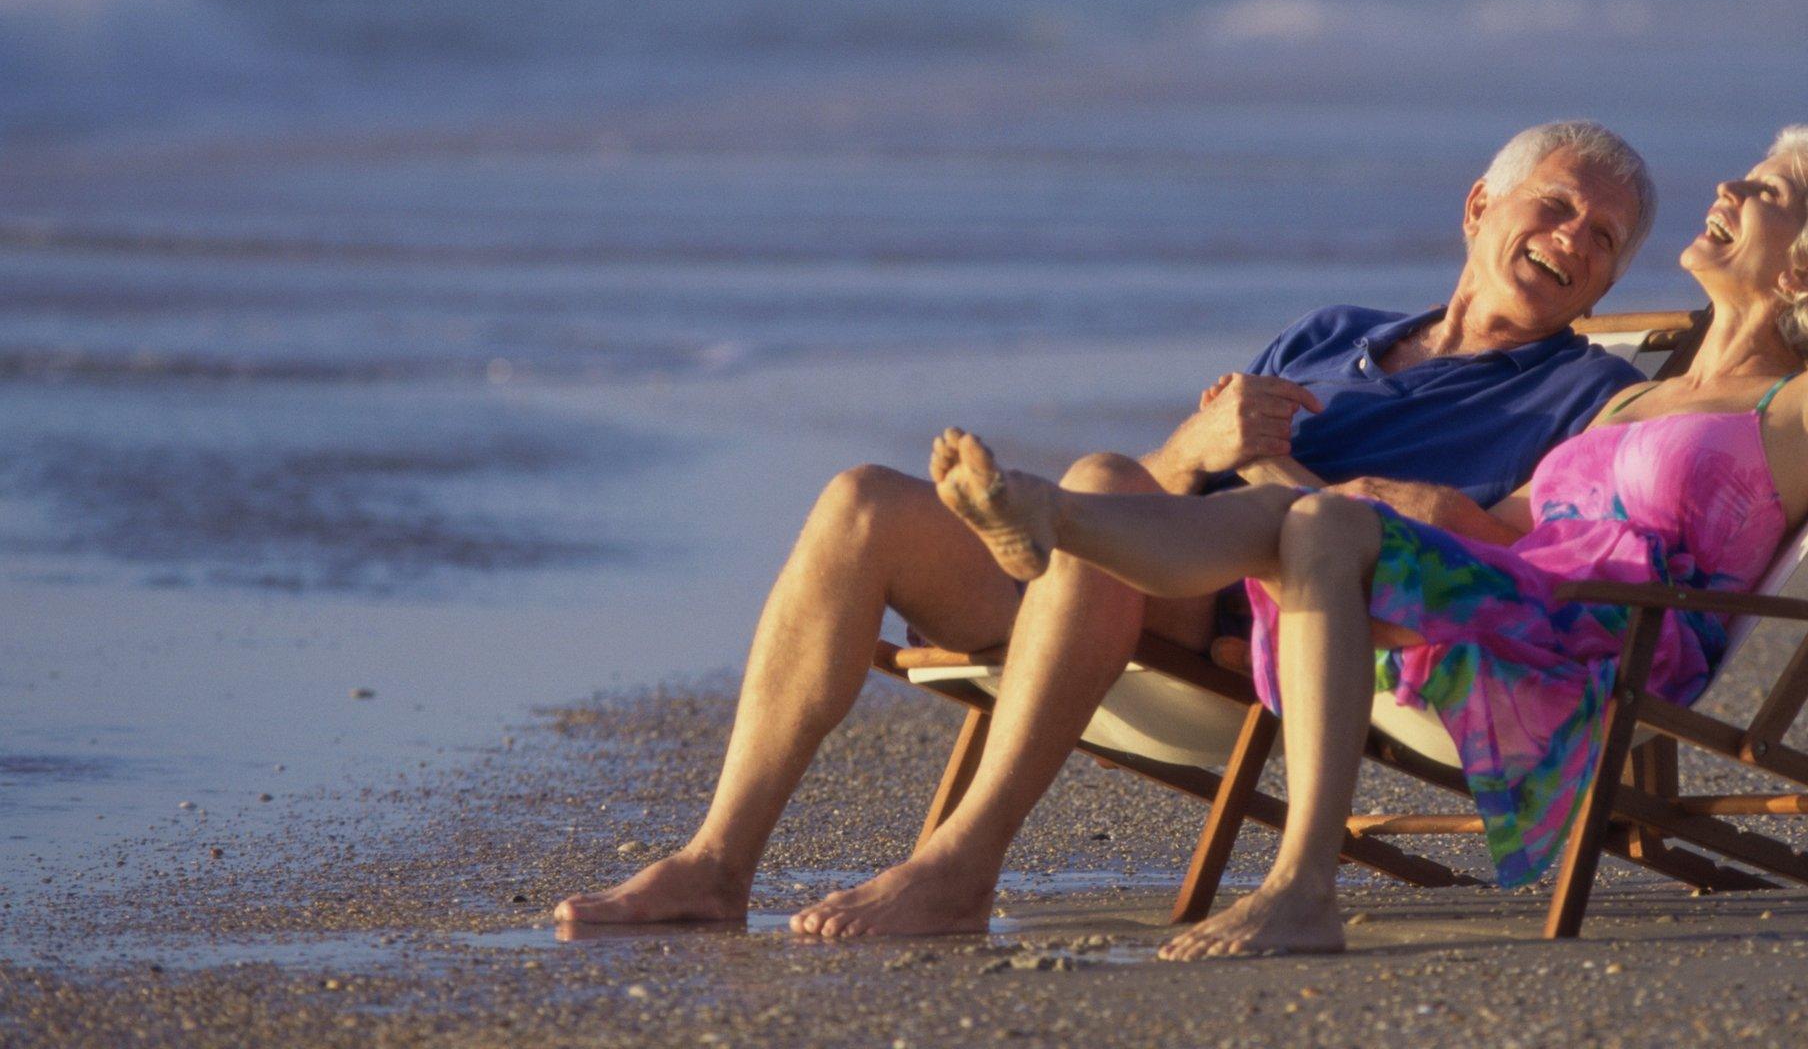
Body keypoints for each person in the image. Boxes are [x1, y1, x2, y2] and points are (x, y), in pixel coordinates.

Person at [554, 121, 1657, 935]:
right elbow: (1177, 480)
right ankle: (714, 863)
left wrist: (1254, 464)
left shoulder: (1578, 399)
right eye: (1555, 207)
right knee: (859, 503)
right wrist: (1199, 446)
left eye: (1603, 239)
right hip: (1151, 569)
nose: (1572, 240)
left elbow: (1498, 550)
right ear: (1478, 206)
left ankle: (962, 863)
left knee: (1094, 488)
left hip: (1285, 614)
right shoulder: (1333, 333)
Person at [925, 121, 1808, 959]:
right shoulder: (1634, 405)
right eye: (1738, 180)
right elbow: (1509, 522)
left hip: (1590, 637)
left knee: (1319, 524)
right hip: (1498, 586)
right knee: (1307, 513)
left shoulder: (1804, 408)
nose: (1726, 196)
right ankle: (1051, 521)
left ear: (1806, 274)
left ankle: (1300, 890)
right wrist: (1419, 506)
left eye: (1764, 194)